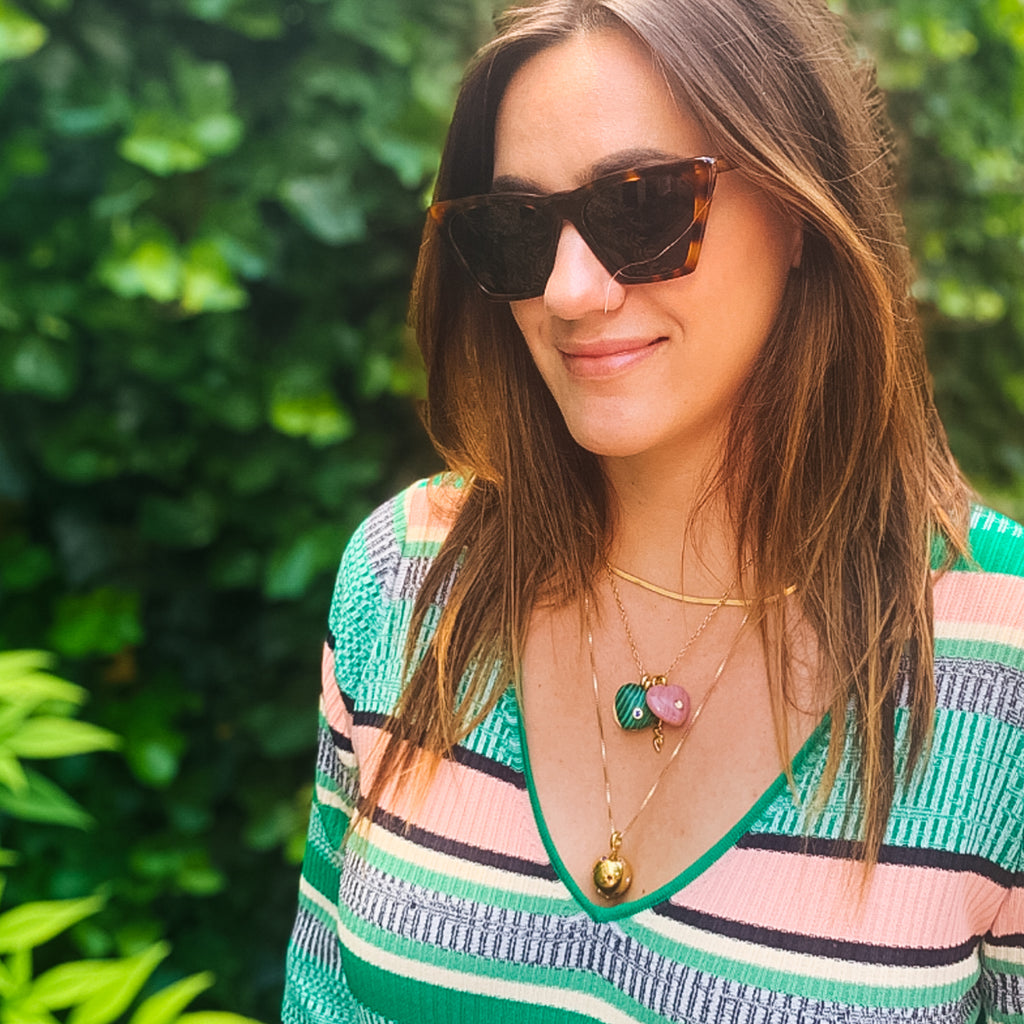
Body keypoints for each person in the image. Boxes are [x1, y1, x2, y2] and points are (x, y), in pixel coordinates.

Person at [282, 0, 1024, 1020]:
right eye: (517, 230)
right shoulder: (409, 576)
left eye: (640, 206)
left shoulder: (1004, 659)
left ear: (800, 207)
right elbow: (327, 997)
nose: (569, 291)